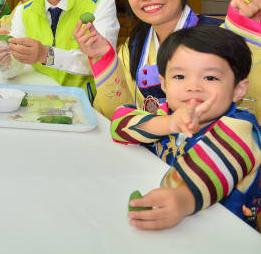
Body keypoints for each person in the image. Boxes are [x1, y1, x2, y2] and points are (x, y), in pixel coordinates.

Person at [111, 25, 260, 230]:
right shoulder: (170, 115)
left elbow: (214, 167)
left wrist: (182, 198)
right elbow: (119, 125)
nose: (193, 86)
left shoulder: (240, 129)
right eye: (180, 77)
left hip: (224, 232)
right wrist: (167, 124)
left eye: (210, 77)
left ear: (238, 89)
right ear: (164, 84)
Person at [73, 0, 231, 119]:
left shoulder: (222, 37)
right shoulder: (133, 45)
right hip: (144, 145)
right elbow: (118, 113)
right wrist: (104, 57)